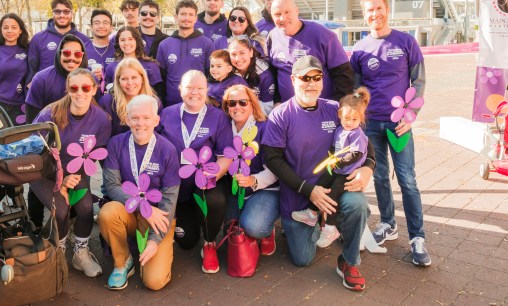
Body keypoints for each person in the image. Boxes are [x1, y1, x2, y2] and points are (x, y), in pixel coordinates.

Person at [262, 55, 375, 291]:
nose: (311, 83)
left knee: (358, 206)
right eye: (305, 78)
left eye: (317, 78)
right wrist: (308, 190)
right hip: (300, 195)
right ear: (293, 79)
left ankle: (349, 260)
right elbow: (271, 159)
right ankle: (321, 225)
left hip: (337, 187)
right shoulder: (281, 115)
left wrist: (368, 168)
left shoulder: (336, 109)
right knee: (302, 260)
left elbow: (363, 142)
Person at [350, 0, 431, 266]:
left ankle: (417, 238)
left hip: (400, 125)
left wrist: (411, 116)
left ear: (387, 9)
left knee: (407, 179)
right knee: (380, 177)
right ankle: (387, 223)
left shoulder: (406, 41)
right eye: (370, 10)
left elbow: (418, 81)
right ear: (365, 14)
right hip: (372, 125)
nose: (375, 14)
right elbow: (357, 89)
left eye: (379, 8)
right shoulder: (360, 49)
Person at [31, 68, 112, 277]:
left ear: (94, 89)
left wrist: (73, 177)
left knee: (85, 207)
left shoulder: (102, 119)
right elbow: (33, 152)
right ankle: (58, 251)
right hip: (44, 171)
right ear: (67, 89)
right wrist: (60, 179)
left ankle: (80, 253)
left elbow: (93, 154)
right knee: (62, 208)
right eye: (74, 88)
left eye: (86, 87)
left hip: (76, 171)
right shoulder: (50, 113)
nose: (80, 93)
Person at [99, 95, 180, 290]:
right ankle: (123, 262)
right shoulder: (116, 144)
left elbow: (169, 200)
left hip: (159, 217)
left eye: (146, 118)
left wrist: (155, 240)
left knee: (154, 282)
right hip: (129, 212)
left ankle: (157, 245)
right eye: (134, 118)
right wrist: (145, 208)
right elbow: (112, 186)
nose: (140, 123)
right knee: (108, 212)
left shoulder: (168, 150)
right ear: (127, 119)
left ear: (156, 120)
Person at [157, 70, 232, 274]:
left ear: (206, 90)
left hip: (204, 185)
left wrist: (213, 176)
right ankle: (191, 220)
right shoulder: (167, 113)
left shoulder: (218, 117)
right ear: (180, 89)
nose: (194, 92)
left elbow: (226, 156)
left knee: (214, 201)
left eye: (200, 88)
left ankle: (209, 243)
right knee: (187, 241)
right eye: (189, 87)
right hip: (177, 190)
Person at [291, 87, 371, 250]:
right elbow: (336, 148)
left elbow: (355, 154)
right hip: (336, 169)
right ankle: (312, 214)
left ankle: (330, 228)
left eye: (354, 119)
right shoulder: (341, 130)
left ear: (360, 119)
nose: (349, 122)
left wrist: (338, 162)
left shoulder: (357, 134)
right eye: (346, 118)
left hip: (346, 174)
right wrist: (332, 157)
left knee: (332, 196)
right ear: (340, 114)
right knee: (321, 184)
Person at [222, 85, 279, 256]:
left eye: (242, 102)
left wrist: (253, 180)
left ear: (252, 104)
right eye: (232, 103)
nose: (237, 106)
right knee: (230, 232)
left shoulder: (265, 127)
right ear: (227, 107)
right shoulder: (224, 127)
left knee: (254, 227)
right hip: (235, 189)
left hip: (265, 188)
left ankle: (268, 231)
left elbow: (276, 169)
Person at [267, 0, 353, 102]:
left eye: (287, 12)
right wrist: (277, 100)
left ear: (297, 11)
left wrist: (338, 105)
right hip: (289, 112)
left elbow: (343, 74)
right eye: (277, 14)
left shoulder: (323, 35)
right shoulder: (273, 36)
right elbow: (273, 74)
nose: (282, 18)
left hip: (321, 111)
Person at [156, 0, 215, 106]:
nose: (186, 18)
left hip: (199, 104)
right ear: (176, 17)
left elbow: (211, 76)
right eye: (183, 14)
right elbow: (161, 78)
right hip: (171, 104)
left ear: (196, 18)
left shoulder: (207, 44)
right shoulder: (164, 45)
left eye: (190, 15)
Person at [25, 34, 89, 123]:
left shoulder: (89, 78)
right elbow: (31, 118)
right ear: (59, 54)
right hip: (49, 132)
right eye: (67, 53)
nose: (72, 58)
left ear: (83, 56)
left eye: (77, 54)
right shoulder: (41, 79)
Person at [27, 0, 89, 82]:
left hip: (75, 91)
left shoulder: (84, 40)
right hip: (47, 92)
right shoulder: (38, 38)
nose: (62, 15)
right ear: (52, 13)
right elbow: (31, 70)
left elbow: (86, 68)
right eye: (57, 11)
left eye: (66, 11)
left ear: (72, 13)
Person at [99, 58, 163, 137]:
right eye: (124, 79)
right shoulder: (107, 102)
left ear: (142, 78)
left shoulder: (154, 102)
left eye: (134, 77)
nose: (130, 83)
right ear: (118, 81)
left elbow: (156, 134)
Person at [104, 26, 163, 99]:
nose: (126, 43)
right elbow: (107, 90)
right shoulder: (111, 67)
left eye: (130, 39)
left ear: (137, 41)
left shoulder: (151, 66)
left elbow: (158, 95)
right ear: (118, 43)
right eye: (122, 40)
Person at [227, 37, 275, 115]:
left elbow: (268, 107)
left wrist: (244, 112)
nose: (237, 58)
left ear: (251, 52)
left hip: (255, 117)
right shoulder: (226, 69)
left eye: (242, 53)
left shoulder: (264, 74)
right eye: (233, 54)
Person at [85, 9, 116, 86]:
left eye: (105, 23)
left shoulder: (118, 50)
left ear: (111, 27)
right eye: (97, 23)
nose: (101, 26)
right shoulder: (82, 49)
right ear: (91, 27)